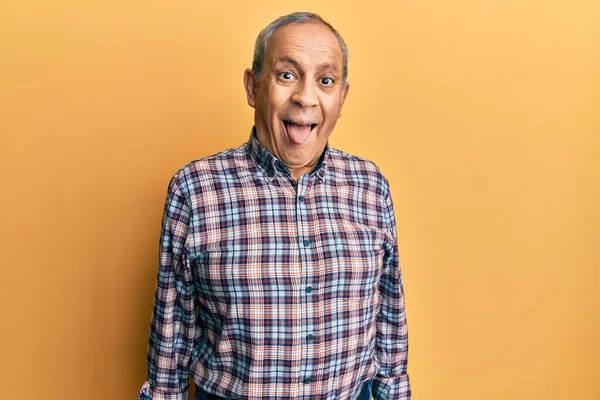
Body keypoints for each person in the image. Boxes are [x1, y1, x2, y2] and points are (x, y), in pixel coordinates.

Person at [138, 11, 410, 400]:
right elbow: (171, 339)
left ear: (342, 97)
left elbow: (389, 326)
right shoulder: (195, 189)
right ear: (253, 87)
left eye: (326, 80)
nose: (306, 97)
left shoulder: (370, 186)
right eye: (287, 75)